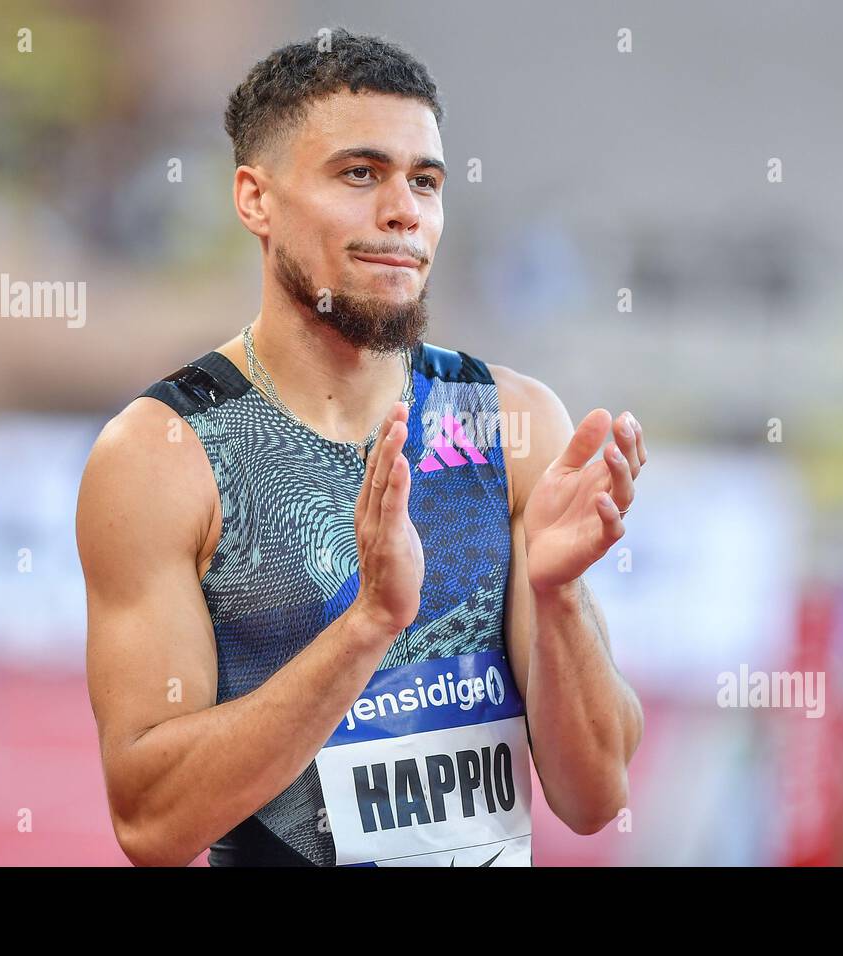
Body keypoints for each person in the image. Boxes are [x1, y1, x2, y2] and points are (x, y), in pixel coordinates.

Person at [77, 27, 646, 867]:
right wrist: (370, 624)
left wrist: (556, 596)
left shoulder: (509, 424)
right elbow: (152, 825)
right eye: (360, 173)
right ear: (255, 200)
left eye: (425, 181)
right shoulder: (163, 456)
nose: (403, 210)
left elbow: (595, 797)